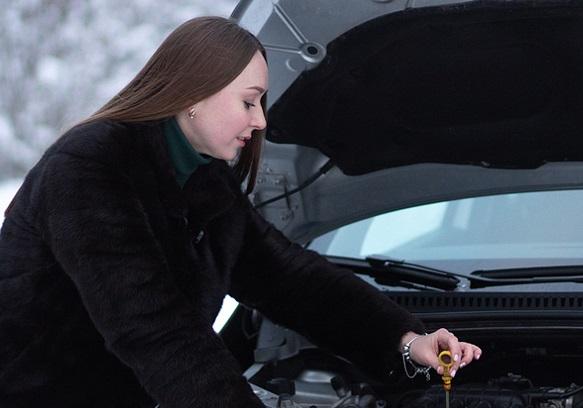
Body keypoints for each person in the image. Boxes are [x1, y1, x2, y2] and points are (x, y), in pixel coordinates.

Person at [0, 16, 481, 408]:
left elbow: (291, 280)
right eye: (249, 101)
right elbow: (153, 328)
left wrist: (405, 341)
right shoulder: (91, 168)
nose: (261, 120)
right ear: (193, 94)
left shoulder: (205, 181)